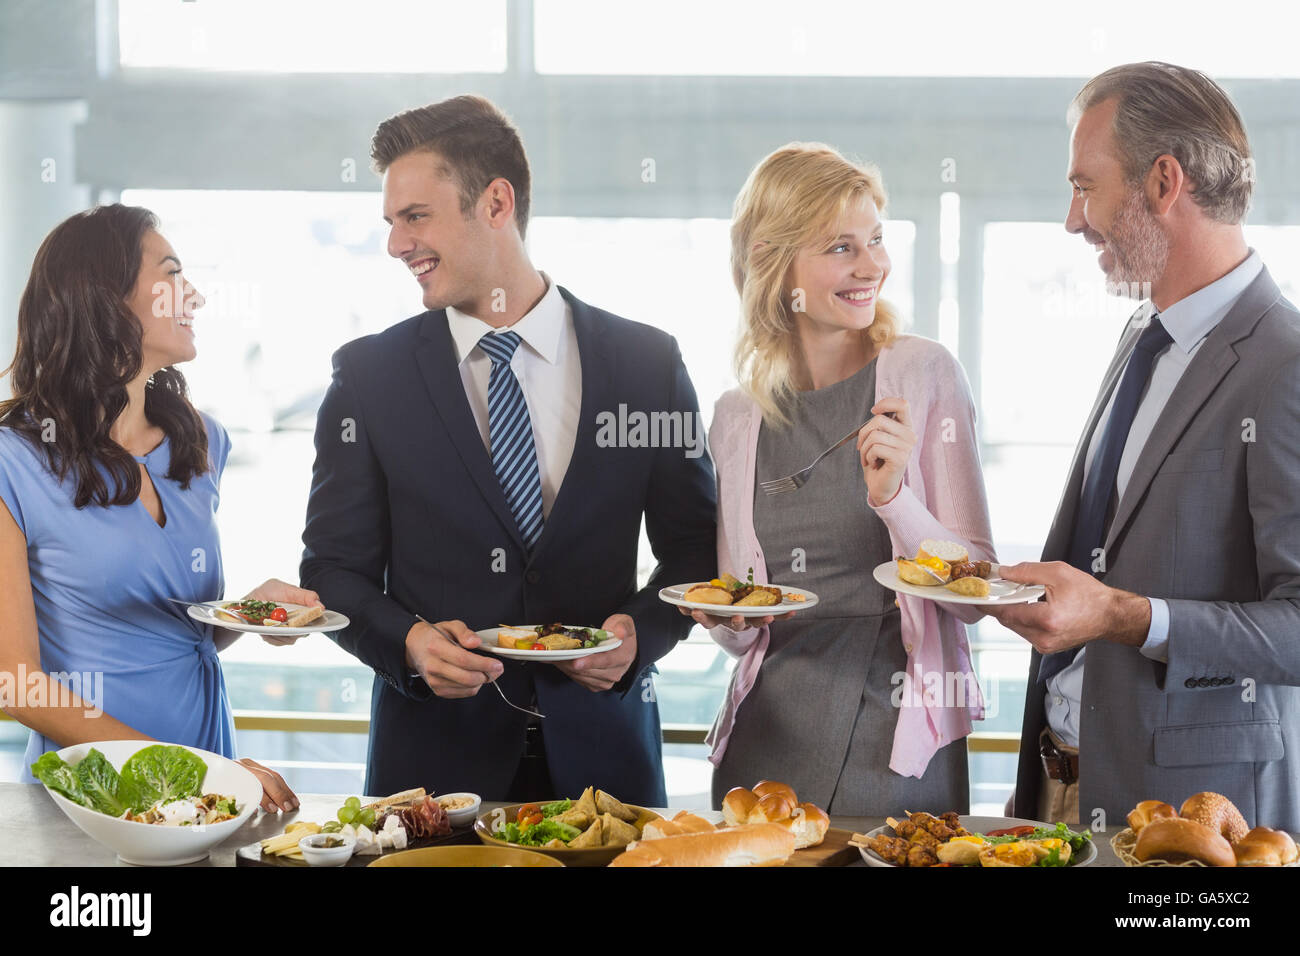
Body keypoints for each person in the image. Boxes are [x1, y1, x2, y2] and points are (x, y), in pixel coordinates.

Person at [300, 95, 716, 806]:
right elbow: (333, 571)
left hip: (606, 772)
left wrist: (638, 638)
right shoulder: (370, 378)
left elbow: (697, 550)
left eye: (415, 217)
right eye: (391, 222)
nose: (396, 244)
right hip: (432, 778)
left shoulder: (645, 364)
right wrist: (409, 644)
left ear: (495, 203)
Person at [990, 62, 1300, 830]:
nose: (1073, 220)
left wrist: (1123, 615)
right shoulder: (1143, 337)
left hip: (1191, 823)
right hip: (1063, 793)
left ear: (1164, 182)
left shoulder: (1285, 367)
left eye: (1085, 186)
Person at [682, 143, 995, 815]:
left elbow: (976, 593)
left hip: (895, 744)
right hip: (765, 746)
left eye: (876, 240)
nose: (873, 265)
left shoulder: (924, 373)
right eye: (841, 248)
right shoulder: (738, 418)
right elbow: (745, 633)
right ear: (772, 261)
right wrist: (718, 614)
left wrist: (894, 500)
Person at [0, 204, 320, 811]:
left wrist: (251, 614)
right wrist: (195, 776)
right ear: (106, 298)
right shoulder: (12, 461)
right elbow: (17, 684)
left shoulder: (200, 442)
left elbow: (166, 635)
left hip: (208, 785)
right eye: (172, 274)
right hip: (94, 798)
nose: (193, 296)